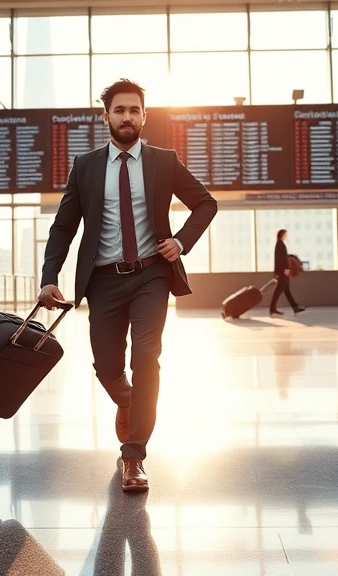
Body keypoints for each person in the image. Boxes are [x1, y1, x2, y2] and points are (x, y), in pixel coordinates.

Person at [38, 79, 218, 492]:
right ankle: (128, 400)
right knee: (106, 367)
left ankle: (133, 455)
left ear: (144, 117)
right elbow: (63, 227)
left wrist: (180, 241)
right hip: (102, 281)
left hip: (151, 275)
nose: (127, 117)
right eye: (119, 110)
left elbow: (206, 203)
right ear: (106, 117)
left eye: (134, 110)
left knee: (147, 356)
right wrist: (49, 278)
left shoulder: (163, 161)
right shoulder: (86, 166)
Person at [269, 229, 304, 316]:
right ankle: (273, 309)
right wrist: (286, 269)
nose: (286, 236)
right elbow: (281, 259)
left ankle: (295, 307)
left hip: (282, 271)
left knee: (286, 290)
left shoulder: (280, 244)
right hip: (283, 272)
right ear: (282, 235)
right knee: (279, 291)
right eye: (285, 235)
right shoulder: (280, 245)